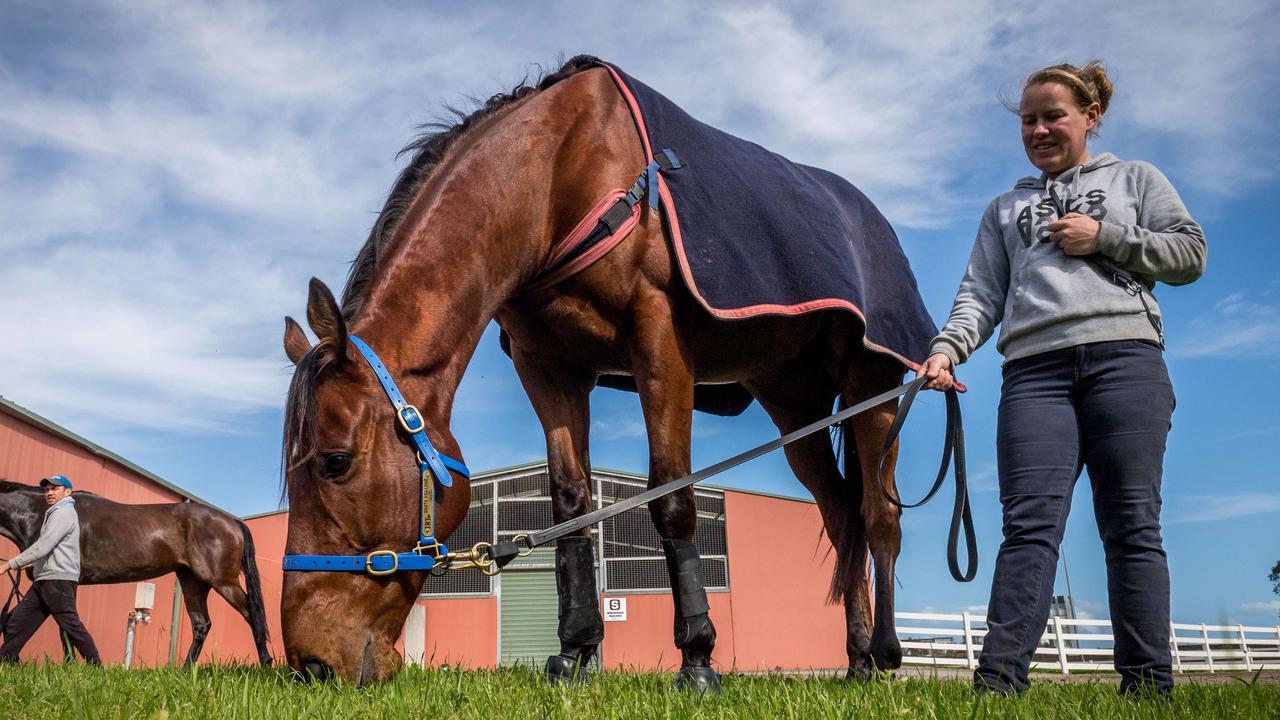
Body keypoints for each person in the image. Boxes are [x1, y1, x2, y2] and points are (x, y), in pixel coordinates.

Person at [918, 60, 1205, 696]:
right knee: (1029, 525)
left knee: (1131, 522)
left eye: (1054, 116)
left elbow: (1190, 254)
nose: (1040, 129)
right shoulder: (1004, 208)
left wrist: (1105, 235)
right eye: (1029, 120)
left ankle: (1148, 687)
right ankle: (997, 684)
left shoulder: (1136, 179)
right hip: (1033, 375)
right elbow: (980, 294)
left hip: (1125, 361)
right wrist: (947, 350)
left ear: (1090, 117)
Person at [0, 474, 101, 664]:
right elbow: (52, 549)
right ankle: (6, 662)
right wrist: (34, 563)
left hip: (58, 581)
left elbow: (44, 545)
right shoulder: (55, 512)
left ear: (68, 492)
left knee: (72, 627)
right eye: (47, 489)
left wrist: (9, 565)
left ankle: (96, 667)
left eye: (55, 489)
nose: (49, 493)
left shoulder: (64, 513)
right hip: (45, 579)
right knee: (16, 624)